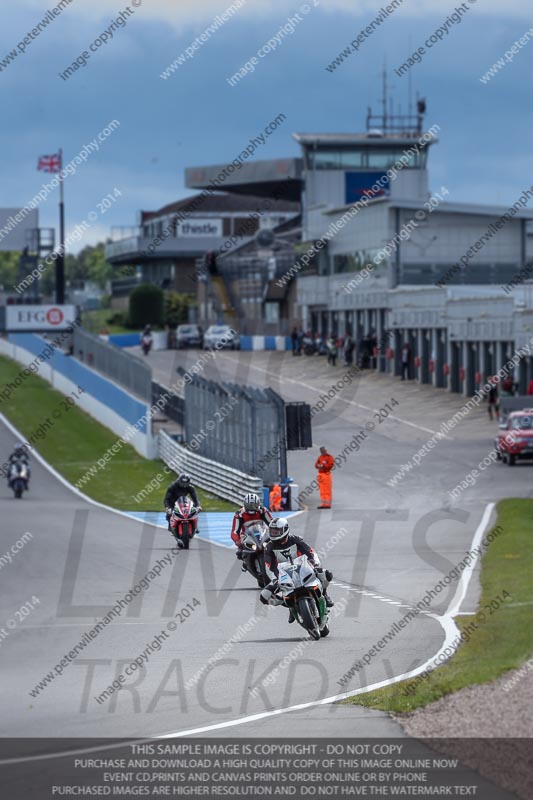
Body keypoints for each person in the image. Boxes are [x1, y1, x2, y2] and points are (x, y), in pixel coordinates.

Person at [260, 517, 334, 622]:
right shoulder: (269, 547)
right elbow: (268, 566)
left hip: (303, 568)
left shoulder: (296, 539)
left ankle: (325, 594)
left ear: (285, 530)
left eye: (276, 532)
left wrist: (316, 565)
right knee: (264, 596)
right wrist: (275, 579)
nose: (274, 534)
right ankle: (290, 606)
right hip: (283, 575)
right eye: (272, 531)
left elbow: (311, 552)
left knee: (327, 574)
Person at [230, 493, 273, 562]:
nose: (252, 508)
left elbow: (271, 523)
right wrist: (237, 540)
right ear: (245, 504)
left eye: (254, 505)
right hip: (247, 536)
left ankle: (277, 561)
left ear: (258, 504)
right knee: (239, 552)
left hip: (262, 533)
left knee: (274, 544)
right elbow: (234, 531)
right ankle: (246, 562)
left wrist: (274, 533)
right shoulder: (239, 514)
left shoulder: (263, 510)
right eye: (249, 506)